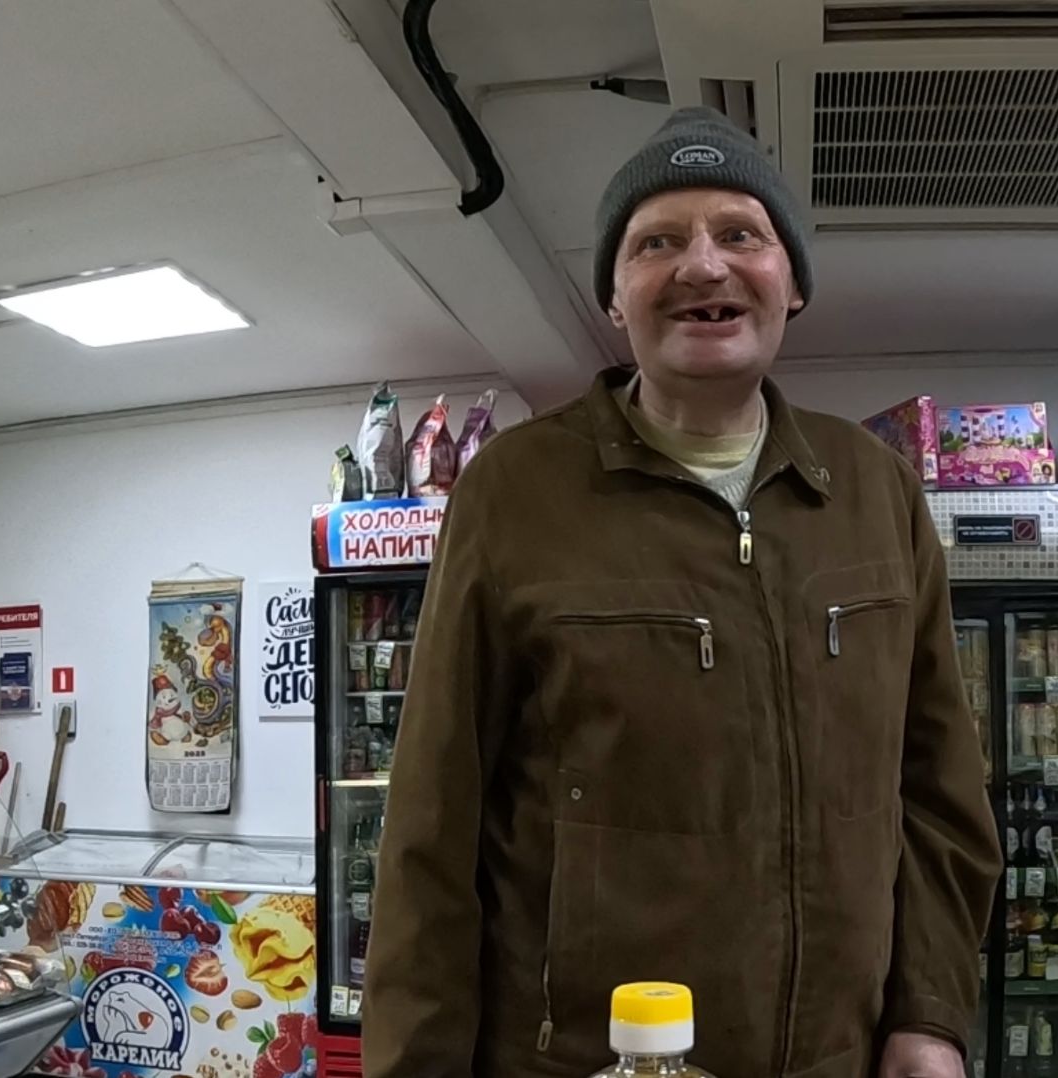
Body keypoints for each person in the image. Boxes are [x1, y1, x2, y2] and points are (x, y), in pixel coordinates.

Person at [363, 106, 998, 1078]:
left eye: (741, 234)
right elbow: (432, 825)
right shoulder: (514, 492)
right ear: (615, 299)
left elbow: (939, 790)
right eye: (656, 242)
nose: (702, 266)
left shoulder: (876, 489)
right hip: (586, 1064)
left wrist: (931, 1014)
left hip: (841, 1057)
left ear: (793, 284)